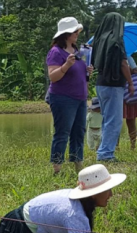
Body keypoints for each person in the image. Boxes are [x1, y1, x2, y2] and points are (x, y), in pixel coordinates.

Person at [46, 17, 92, 175]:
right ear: (66, 34)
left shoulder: (79, 51)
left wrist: (88, 73)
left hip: (80, 97)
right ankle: (57, 167)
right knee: (62, 132)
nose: (78, 34)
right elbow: (53, 76)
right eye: (75, 31)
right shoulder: (56, 52)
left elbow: (81, 76)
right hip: (62, 97)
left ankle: (78, 163)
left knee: (79, 131)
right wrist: (66, 65)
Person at [91, 12, 134, 163]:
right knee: (114, 120)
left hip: (100, 83)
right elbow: (123, 64)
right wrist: (131, 83)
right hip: (114, 84)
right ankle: (105, 154)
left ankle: (104, 150)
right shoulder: (117, 40)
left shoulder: (99, 39)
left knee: (106, 119)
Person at [122, 55, 137, 150]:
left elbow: (136, 71)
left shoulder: (128, 56)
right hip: (120, 91)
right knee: (115, 121)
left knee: (131, 120)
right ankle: (115, 146)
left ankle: (133, 145)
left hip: (130, 92)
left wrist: (128, 69)